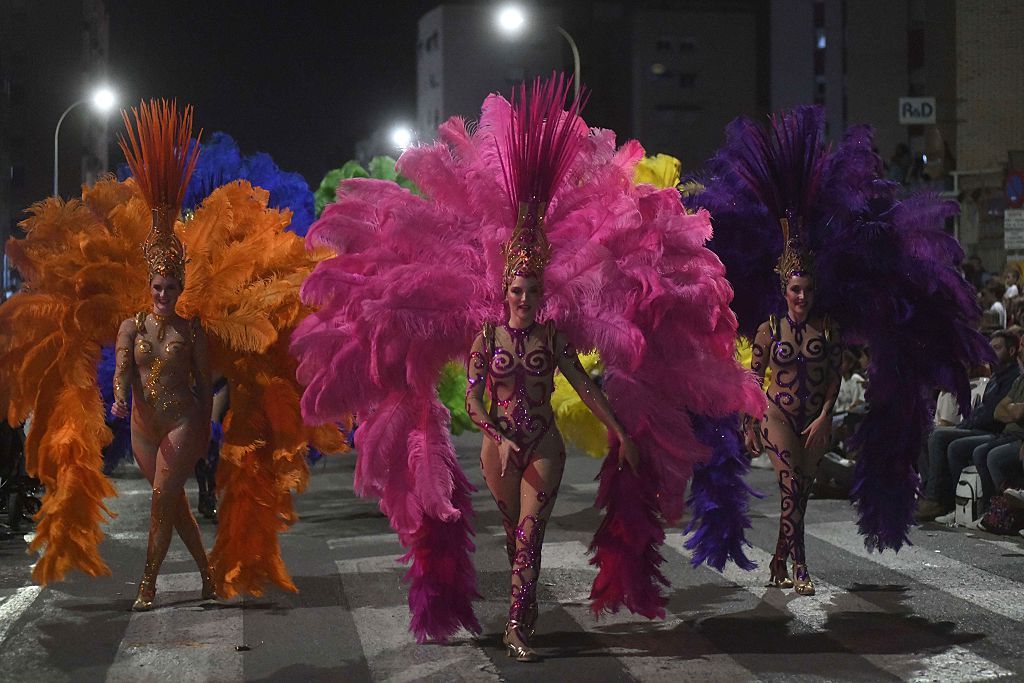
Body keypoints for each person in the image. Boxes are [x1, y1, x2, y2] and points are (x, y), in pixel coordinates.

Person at [466, 214, 639, 661]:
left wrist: (619, 430)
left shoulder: (552, 336)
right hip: (497, 452)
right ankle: (527, 604)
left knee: (529, 535)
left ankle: (515, 626)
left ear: (542, 294)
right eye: (517, 290)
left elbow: (585, 384)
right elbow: (472, 401)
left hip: (544, 446)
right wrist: (496, 436)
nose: (524, 299)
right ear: (505, 292)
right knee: (513, 534)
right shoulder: (486, 337)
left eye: (533, 290)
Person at [111, 102, 215, 611]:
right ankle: (208, 573)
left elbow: (206, 380)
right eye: (157, 285)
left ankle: (147, 584)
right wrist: (116, 401)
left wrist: (208, 429)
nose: (163, 294)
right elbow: (122, 370)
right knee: (173, 507)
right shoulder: (130, 325)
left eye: (171, 287)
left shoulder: (190, 330)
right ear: (148, 284)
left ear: (180, 287)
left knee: (159, 499)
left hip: (182, 421)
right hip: (143, 425)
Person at [745, 224, 841, 596]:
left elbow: (835, 378)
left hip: (815, 420)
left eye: (808, 289)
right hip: (777, 415)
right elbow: (752, 379)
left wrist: (825, 416)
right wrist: (749, 425)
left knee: (801, 494)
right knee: (790, 490)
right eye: (795, 289)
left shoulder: (830, 329)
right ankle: (800, 565)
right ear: (784, 291)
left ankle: (777, 560)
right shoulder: (768, 329)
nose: (802, 296)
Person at [916, 330, 1020, 521]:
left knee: (946, 441)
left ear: (1012, 351)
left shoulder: (1013, 376)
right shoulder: (996, 379)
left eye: (996, 348)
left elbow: (995, 416)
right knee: (925, 433)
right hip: (978, 426)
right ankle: (932, 494)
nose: (990, 353)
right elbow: (995, 410)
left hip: (992, 432)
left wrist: (970, 423)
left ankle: (937, 500)